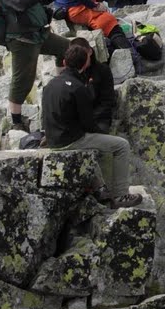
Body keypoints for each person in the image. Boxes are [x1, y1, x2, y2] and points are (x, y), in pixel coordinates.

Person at [42, 45, 142, 209]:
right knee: (121, 145)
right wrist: (103, 134)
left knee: (93, 141)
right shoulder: (77, 88)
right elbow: (88, 124)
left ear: (65, 62)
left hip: (53, 140)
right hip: (69, 141)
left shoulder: (50, 85)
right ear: (85, 65)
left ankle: (100, 188)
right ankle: (120, 195)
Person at [0, 0, 69, 133]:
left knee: (66, 49)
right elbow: (21, 2)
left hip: (38, 34)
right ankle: (16, 121)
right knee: (23, 79)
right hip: (21, 39)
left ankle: (63, 86)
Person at [67, 37, 116, 133]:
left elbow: (107, 101)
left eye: (84, 54)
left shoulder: (102, 70)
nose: (82, 59)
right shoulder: (70, 74)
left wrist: (89, 119)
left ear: (90, 52)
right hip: (76, 119)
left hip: (98, 118)